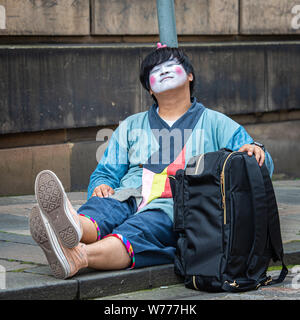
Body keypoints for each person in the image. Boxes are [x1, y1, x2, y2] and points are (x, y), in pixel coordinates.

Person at [29, 44, 273, 279]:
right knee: (104, 207)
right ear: (150, 90)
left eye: (171, 65)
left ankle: (79, 256)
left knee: (138, 231)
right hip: (128, 193)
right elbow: (104, 172)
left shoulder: (217, 122)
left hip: (177, 204)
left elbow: (261, 167)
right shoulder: (130, 126)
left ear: (190, 76)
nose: (164, 70)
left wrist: (253, 151)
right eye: (156, 70)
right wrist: (101, 185)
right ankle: (73, 227)